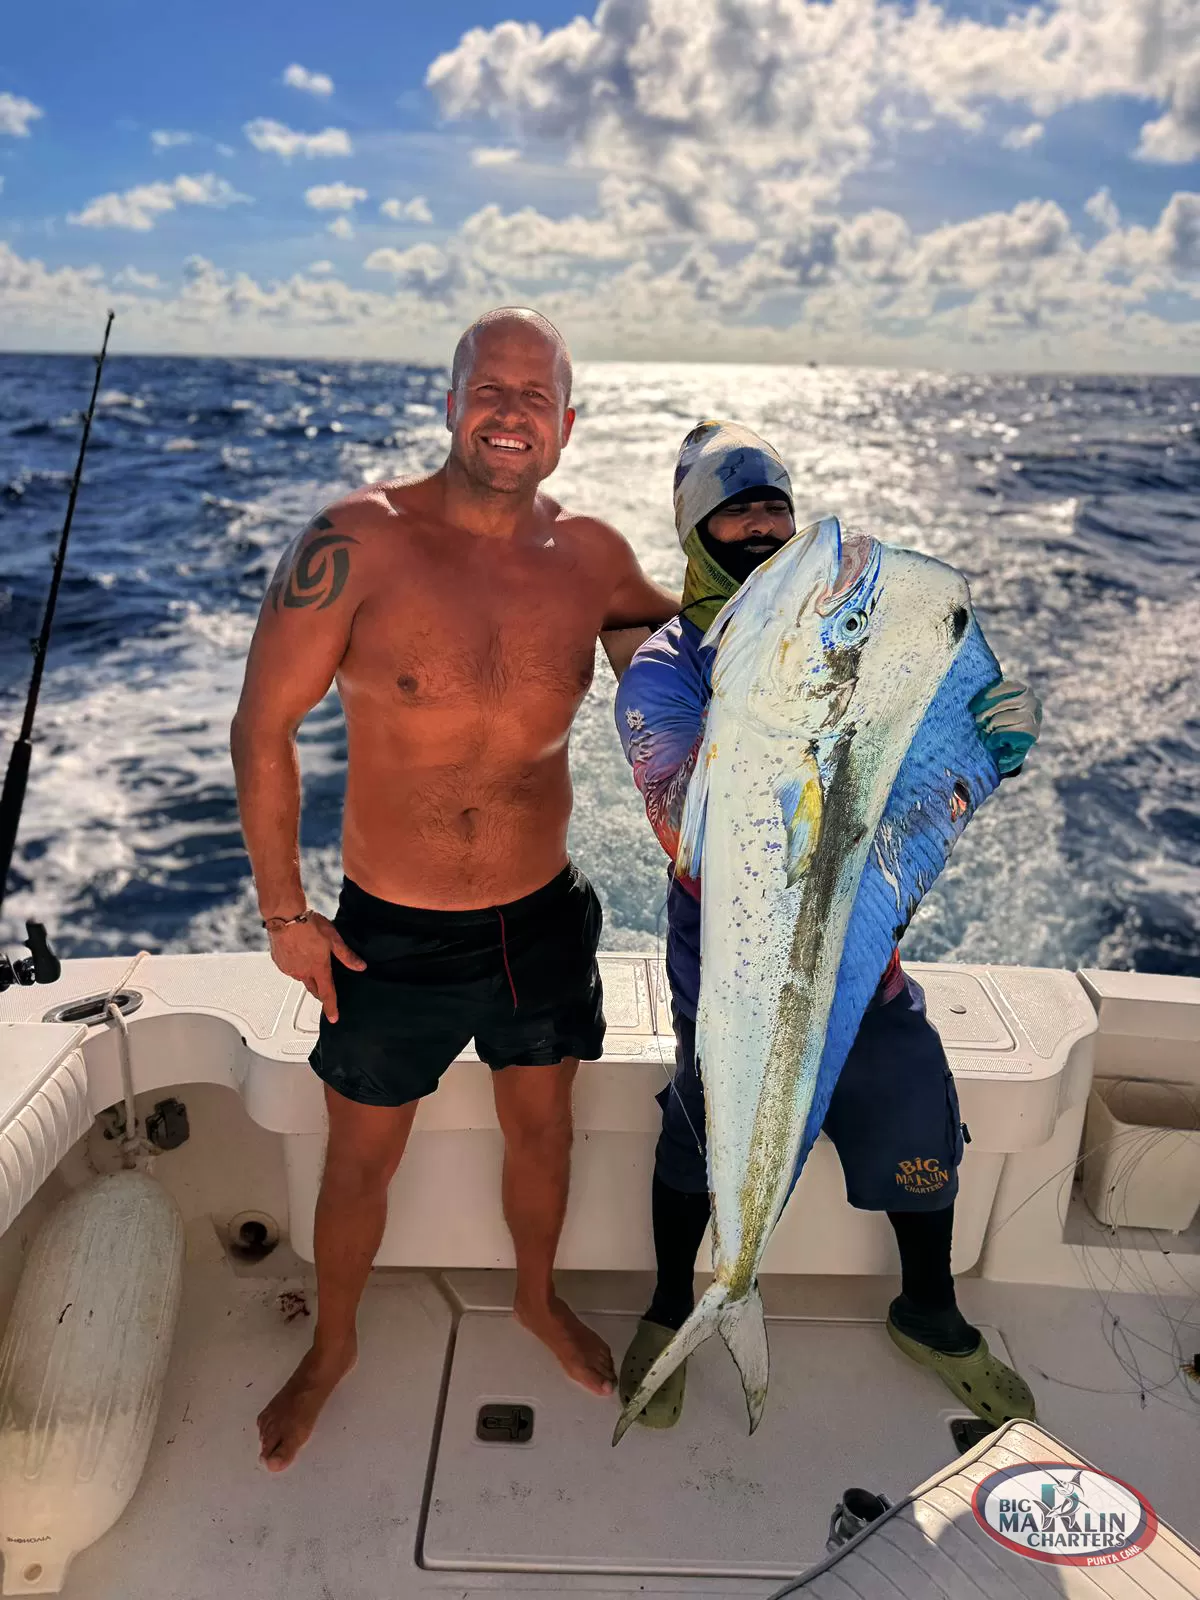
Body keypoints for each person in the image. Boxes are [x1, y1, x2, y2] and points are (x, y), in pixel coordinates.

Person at [231, 307, 678, 1470]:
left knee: (546, 1133)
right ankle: (334, 1347)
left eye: (538, 396)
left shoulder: (593, 560)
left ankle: (534, 1297)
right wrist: (286, 914)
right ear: (449, 402)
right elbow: (262, 725)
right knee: (360, 1160)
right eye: (492, 388)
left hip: (540, 918)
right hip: (393, 936)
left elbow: (693, 702)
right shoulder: (355, 541)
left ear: (569, 423)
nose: (512, 412)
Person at [614, 420, 1044, 1431]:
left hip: (857, 949)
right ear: (694, 528)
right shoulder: (664, 670)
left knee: (916, 1117)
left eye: (775, 505)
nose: (763, 523)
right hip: (726, 956)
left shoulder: (855, 635)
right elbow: (689, 829)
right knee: (701, 1127)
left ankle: (930, 1312)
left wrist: (986, 737)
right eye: (736, 506)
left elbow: (920, 756)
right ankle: (677, 1299)